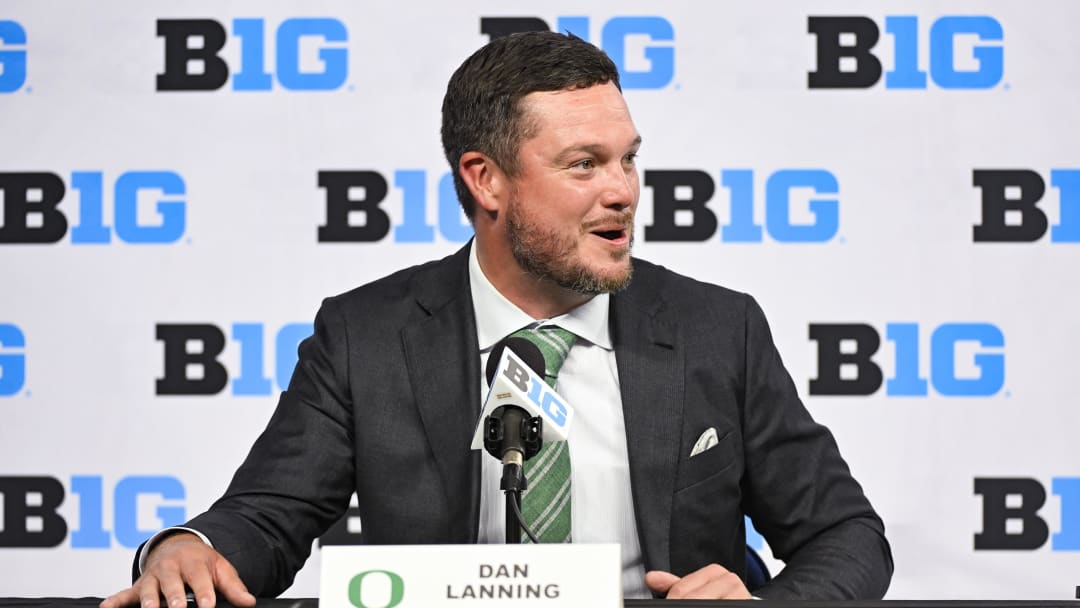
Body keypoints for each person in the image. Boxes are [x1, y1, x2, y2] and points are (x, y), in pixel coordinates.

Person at [102, 31, 892, 608]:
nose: (623, 190)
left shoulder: (717, 329)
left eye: (628, 158)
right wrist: (187, 548)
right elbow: (268, 516)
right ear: (486, 180)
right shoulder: (366, 336)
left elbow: (848, 537)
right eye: (584, 164)